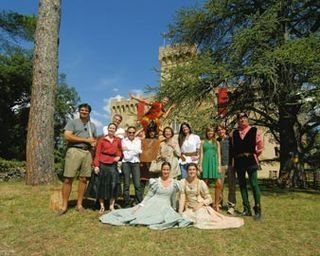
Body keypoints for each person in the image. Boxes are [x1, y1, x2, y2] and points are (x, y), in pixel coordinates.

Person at [99, 162, 192, 230]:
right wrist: (140, 205)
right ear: (161, 170)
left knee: (163, 218)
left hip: (165, 205)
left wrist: (174, 208)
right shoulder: (155, 181)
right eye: (164, 169)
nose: (165, 171)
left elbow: (173, 197)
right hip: (152, 202)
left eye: (167, 169)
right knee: (139, 215)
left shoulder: (175, 183)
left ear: (170, 170)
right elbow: (149, 195)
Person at [58, 103, 97, 215]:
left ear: (89, 112)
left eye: (86, 110)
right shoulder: (73, 122)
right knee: (68, 178)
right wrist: (86, 140)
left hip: (87, 152)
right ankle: (64, 205)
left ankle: (79, 205)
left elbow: (93, 139)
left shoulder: (92, 126)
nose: (84, 112)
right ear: (79, 111)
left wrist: (94, 145)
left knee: (84, 179)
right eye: (82, 110)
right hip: (74, 150)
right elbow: (67, 136)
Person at [179, 163, 244, 229]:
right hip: (189, 208)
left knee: (202, 220)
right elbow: (182, 198)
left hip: (200, 207)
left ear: (196, 171)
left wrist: (201, 204)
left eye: (193, 169)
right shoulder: (183, 182)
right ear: (187, 171)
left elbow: (209, 199)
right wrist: (180, 212)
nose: (191, 171)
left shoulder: (201, 183)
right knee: (184, 217)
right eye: (190, 170)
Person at [232, 112, 264, 220]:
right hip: (239, 160)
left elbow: (260, 147)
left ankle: (258, 209)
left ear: (247, 119)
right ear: (237, 121)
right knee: (242, 184)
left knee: (254, 184)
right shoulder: (235, 133)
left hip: (250, 159)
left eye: (244, 118)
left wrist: (253, 154)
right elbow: (233, 147)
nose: (242, 120)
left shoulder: (255, 131)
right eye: (240, 119)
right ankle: (246, 208)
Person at [93, 123, 122, 213]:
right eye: (110, 128)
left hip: (112, 163)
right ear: (108, 129)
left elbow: (120, 151)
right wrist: (96, 165)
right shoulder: (101, 140)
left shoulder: (117, 140)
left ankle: (111, 205)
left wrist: (119, 156)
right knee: (101, 184)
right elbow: (97, 153)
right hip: (102, 163)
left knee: (113, 184)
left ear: (115, 130)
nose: (112, 129)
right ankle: (102, 206)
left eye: (113, 128)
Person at [199, 127, 222, 212]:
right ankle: (205, 204)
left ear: (213, 133)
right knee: (205, 184)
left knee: (218, 183)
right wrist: (200, 165)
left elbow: (219, 154)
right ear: (206, 132)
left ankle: (216, 204)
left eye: (211, 131)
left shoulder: (217, 142)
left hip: (214, 163)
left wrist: (219, 165)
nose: (210, 133)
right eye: (208, 131)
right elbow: (201, 154)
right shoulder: (202, 142)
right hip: (205, 162)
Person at [216, 124, 236, 215]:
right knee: (220, 186)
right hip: (221, 166)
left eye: (222, 129)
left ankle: (231, 206)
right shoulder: (217, 141)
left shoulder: (230, 139)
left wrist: (233, 163)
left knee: (231, 186)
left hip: (230, 165)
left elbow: (234, 152)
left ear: (225, 130)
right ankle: (219, 204)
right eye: (219, 130)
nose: (220, 131)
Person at [121, 126, 143, 208]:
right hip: (126, 163)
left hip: (135, 163)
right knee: (126, 184)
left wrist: (128, 149)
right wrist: (134, 150)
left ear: (135, 133)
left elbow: (139, 151)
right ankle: (127, 203)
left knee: (137, 184)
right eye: (129, 132)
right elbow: (126, 155)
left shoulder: (138, 140)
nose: (131, 134)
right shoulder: (123, 140)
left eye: (133, 132)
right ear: (127, 133)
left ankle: (139, 202)